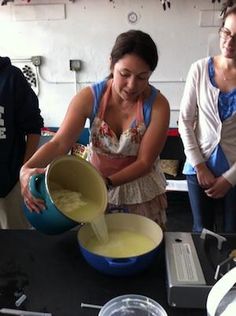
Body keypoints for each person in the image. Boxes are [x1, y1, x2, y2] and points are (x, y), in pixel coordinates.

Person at [20, 30, 170, 229]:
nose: (132, 85)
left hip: (139, 190)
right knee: (99, 245)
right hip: (93, 185)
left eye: (142, 77)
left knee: (140, 242)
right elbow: (59, 143)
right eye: (124, 74)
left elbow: (144, 162)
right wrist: (26, 169)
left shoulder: (158, 106)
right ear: (111, 64)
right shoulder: (89, 98)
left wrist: (106, 182)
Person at [178, 3, 236, 233]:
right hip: (198, 166)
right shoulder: (200, 69)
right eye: (227, 33)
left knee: (233, 234)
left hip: (233, 171)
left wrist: (229, 179)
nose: (229, 43)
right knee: (202, 232)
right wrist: (200, 166)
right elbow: (184, 121)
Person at [0, 56, 44, 229]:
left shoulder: (11, 77)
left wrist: (25, 170)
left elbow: (33, 127)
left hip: (9, 186)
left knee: (15, 246)